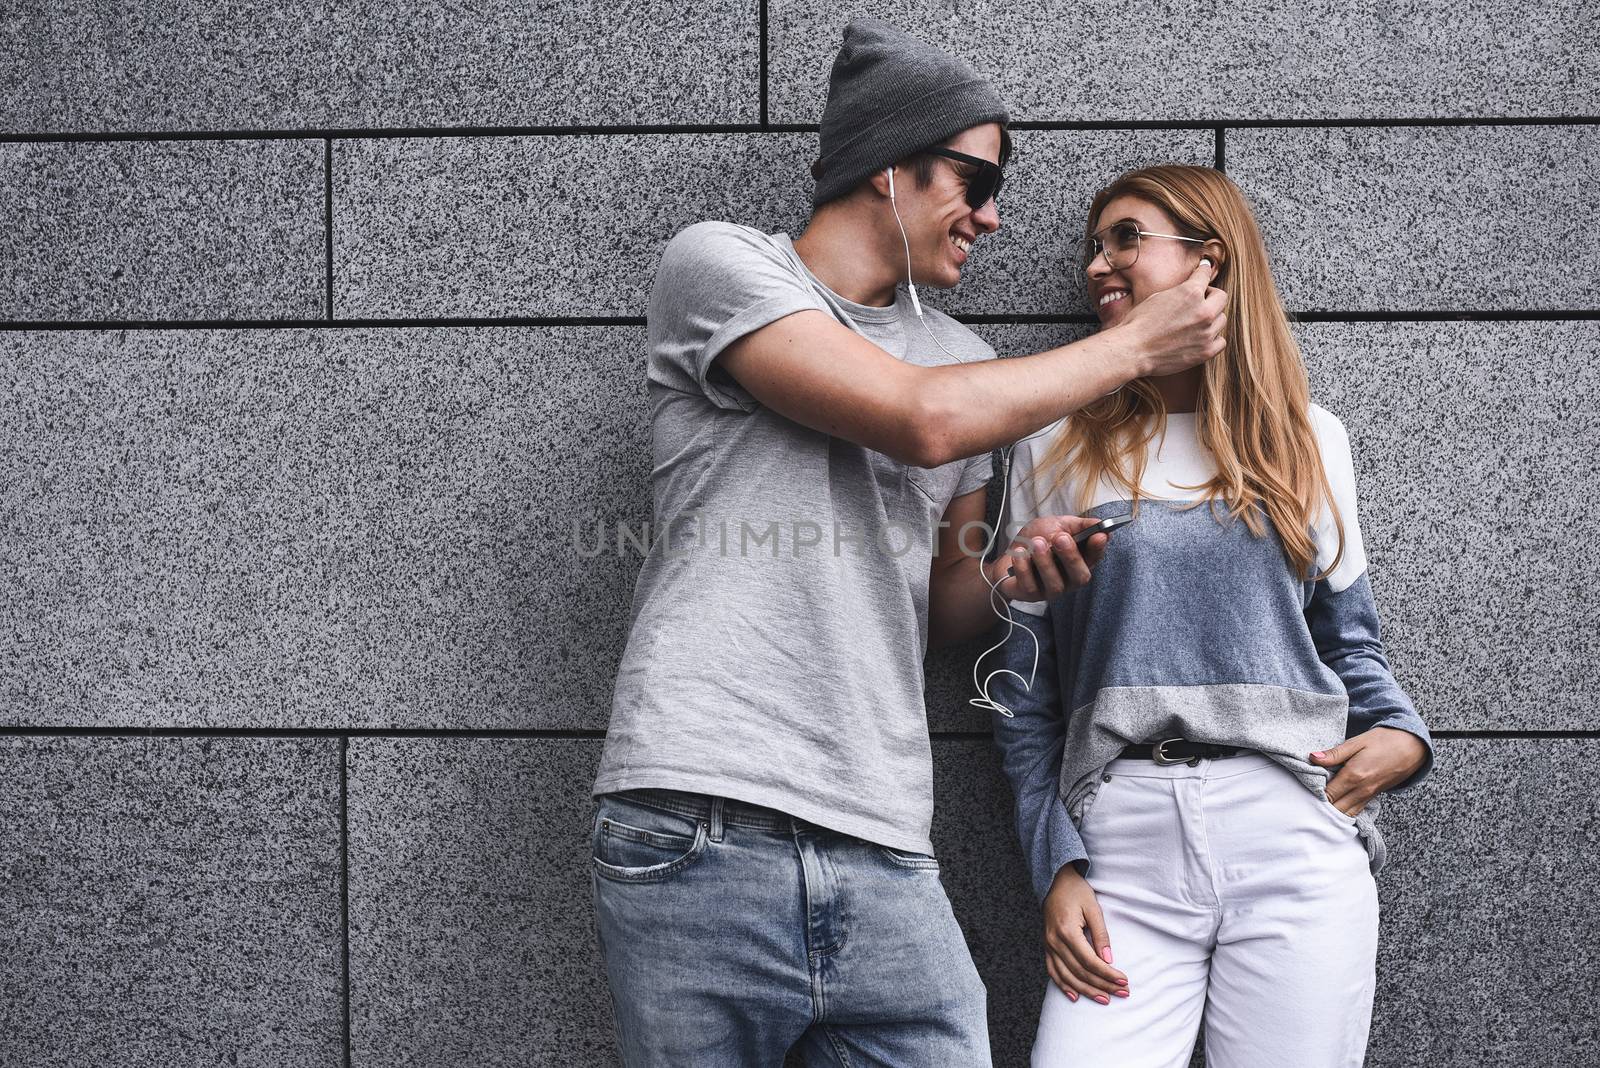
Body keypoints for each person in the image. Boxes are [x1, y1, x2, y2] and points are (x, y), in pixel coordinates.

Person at [588, 20, 1227, 1066]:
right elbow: (915, 417)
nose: (991, 214)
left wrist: (1020, 580)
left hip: (885, 837)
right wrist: (1129, 349)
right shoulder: (719, 267)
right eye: (972, 180)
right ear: (887, 167)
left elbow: (943, 608)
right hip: (698, 816)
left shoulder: (964, 360)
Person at [988, 164, 1436, 1068]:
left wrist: (1404, 736)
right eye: (1092, 245)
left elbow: (1351, 647)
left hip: (1293, 837)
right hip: (1123, 850)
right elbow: (1019, 692)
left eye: (1125, 238)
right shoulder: (1051, 444)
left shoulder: (1309, 439)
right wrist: (1056, 865)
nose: (1096, 265)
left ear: (1209, 263)